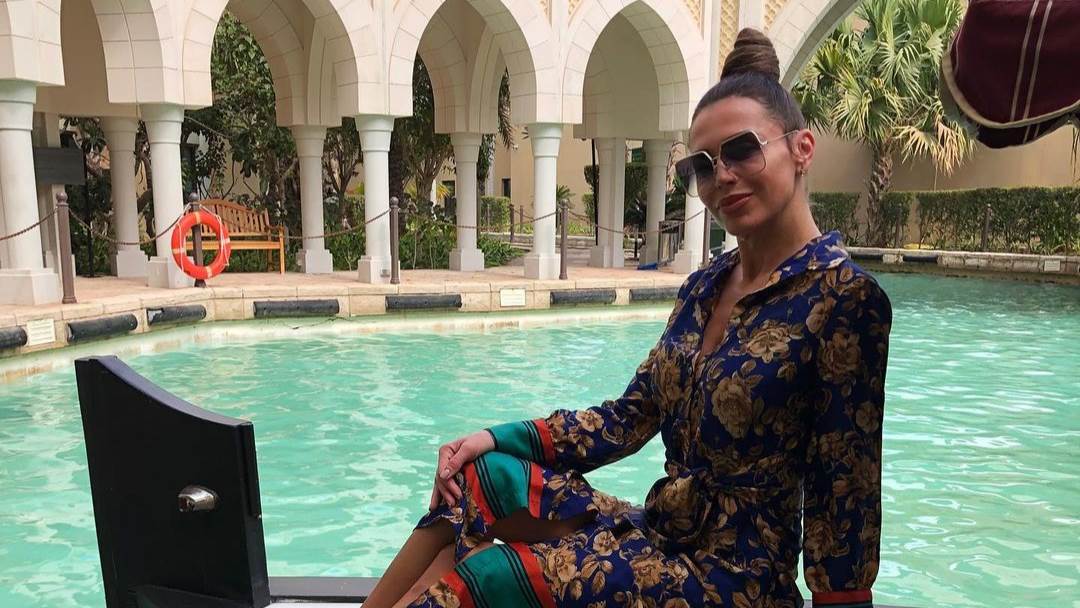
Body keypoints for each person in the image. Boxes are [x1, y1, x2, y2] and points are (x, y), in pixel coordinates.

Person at [364, 27, 892, 608]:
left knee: (492, 575)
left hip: (735, 579)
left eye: (743, 150)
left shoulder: (843, 299)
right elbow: (626, 419)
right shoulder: (703, 288)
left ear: (802, 149)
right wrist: (489, 438)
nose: (723, 176)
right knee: (476, 478)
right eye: (702, 165)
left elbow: (845, 497)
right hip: (662, 532)